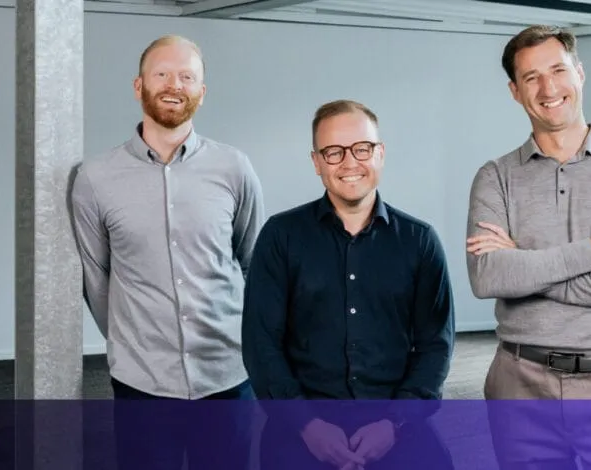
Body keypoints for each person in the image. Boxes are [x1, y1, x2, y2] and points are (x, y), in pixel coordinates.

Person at [465, 25, 591, 469]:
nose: (548, 87)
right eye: (531, 77)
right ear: (515, 91)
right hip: (519, 388)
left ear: (580, 73)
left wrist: (525, 266)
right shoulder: (494, 177)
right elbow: (488, 278)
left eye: (558, 70)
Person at [70, 35, 264, 470]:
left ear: (201, 91)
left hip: (227, 376)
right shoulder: (95, 178)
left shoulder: (235, 168)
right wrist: (133, 339)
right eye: (161, 74)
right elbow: (96, 277)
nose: (173, 85)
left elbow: (252, 263)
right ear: (139, 86)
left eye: (186, 76)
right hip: (143, 383)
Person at [242, 99, 456, 470]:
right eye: (333, 152)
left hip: (395, 424)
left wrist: (394, 423)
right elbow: (262, 345)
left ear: (380, 153)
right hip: (302, 428)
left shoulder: (420, 241)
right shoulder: (280, 236)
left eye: (362, 148)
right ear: (316, 163)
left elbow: (435, 346)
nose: (349, 162)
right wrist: (307, 425)